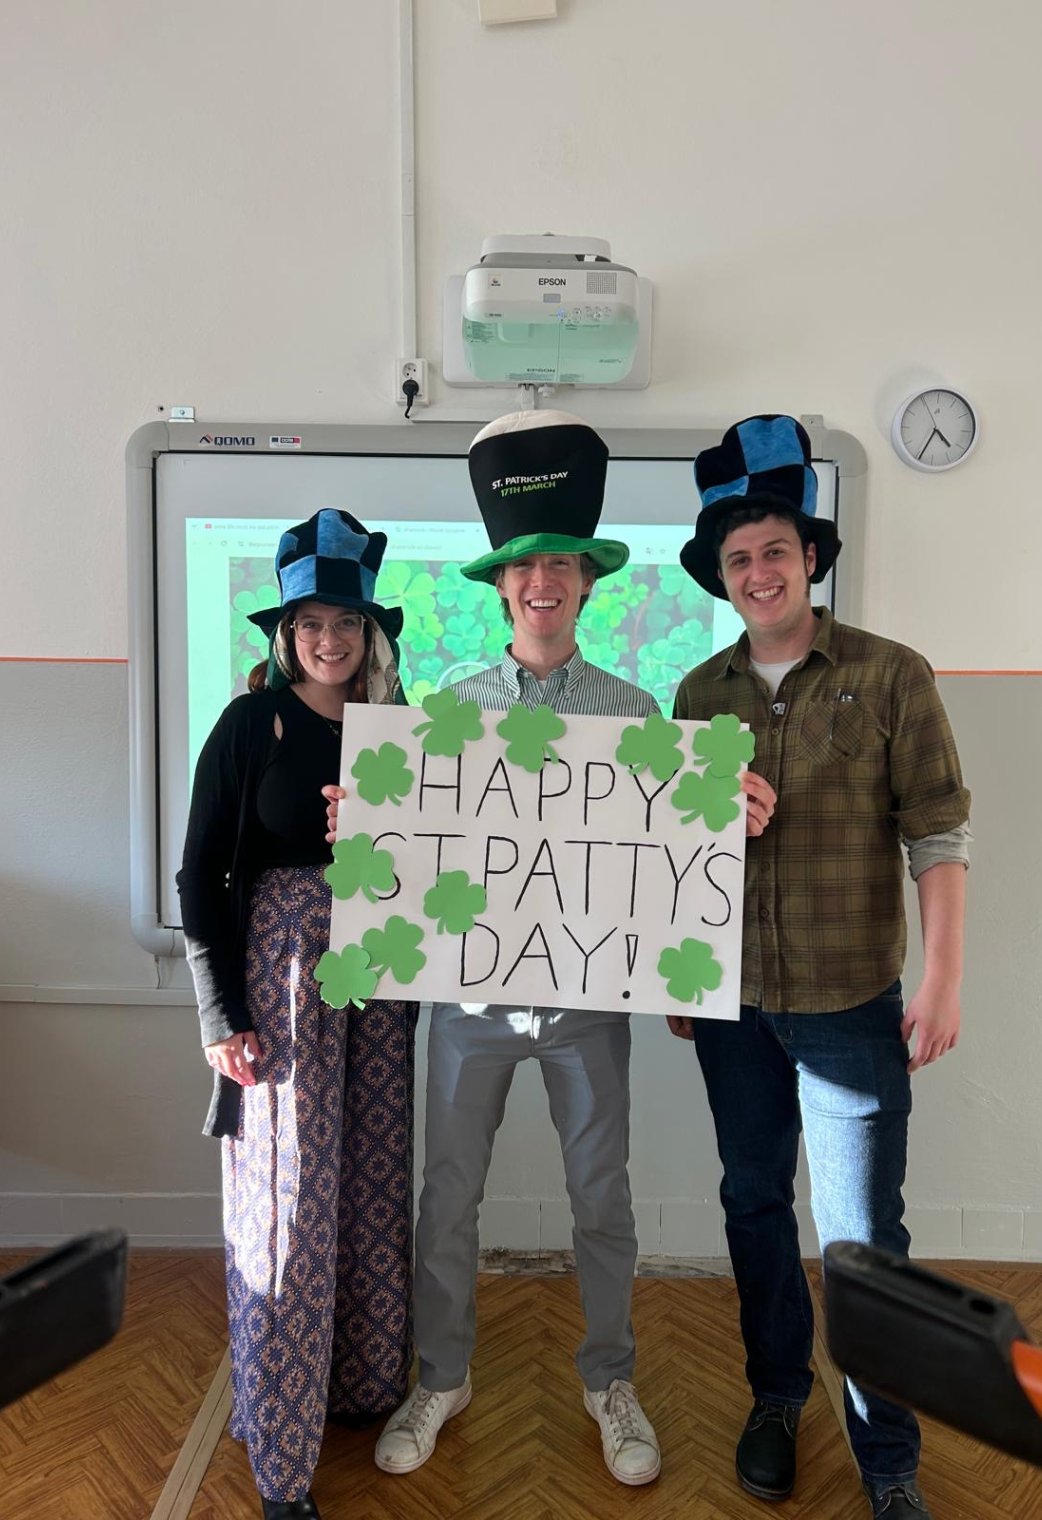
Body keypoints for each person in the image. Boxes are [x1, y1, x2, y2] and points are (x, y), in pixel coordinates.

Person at [325, 411, 775, 1487]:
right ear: (500, 585)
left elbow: (666, 854)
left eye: (562, 565)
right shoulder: (441, 712)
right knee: (448, 1194)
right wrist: (363, 825)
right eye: (526, 567)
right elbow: (411, 861)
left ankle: (609, 1376)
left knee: (602, 1199)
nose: (544, 582)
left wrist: (732, 812)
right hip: (472, 1005)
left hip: (586, 1006)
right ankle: (444, 1372)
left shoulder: (633, 711)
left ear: (587, 580)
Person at [671, 415, 971, 1520]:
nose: (759, 571)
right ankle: (774, 1395)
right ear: (724, 573)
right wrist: (677, 977)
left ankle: (887, 1450)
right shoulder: (699, 696)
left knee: (862, 1235)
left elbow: (938, 830)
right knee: (754, 1204)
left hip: (855, 1002)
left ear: (811, 558)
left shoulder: (894, 677)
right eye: (739, 557)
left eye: (776, 550)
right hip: (734, 1006)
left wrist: (941, 976)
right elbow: (670, 861)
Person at [178, 509, 419, 1520]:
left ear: (372, 631)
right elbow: (200, 872)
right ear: (286, 631)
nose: (332, 637)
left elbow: (437, 870)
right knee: (285, 1205)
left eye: (349, 619)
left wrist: (388, 826)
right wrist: (217, 1012)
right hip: (281, 978)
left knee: (368, 1181)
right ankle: (282, 1458)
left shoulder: (404, 730)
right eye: (313, 619)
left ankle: (358, 1385)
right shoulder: (252, 724)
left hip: (382, 971)